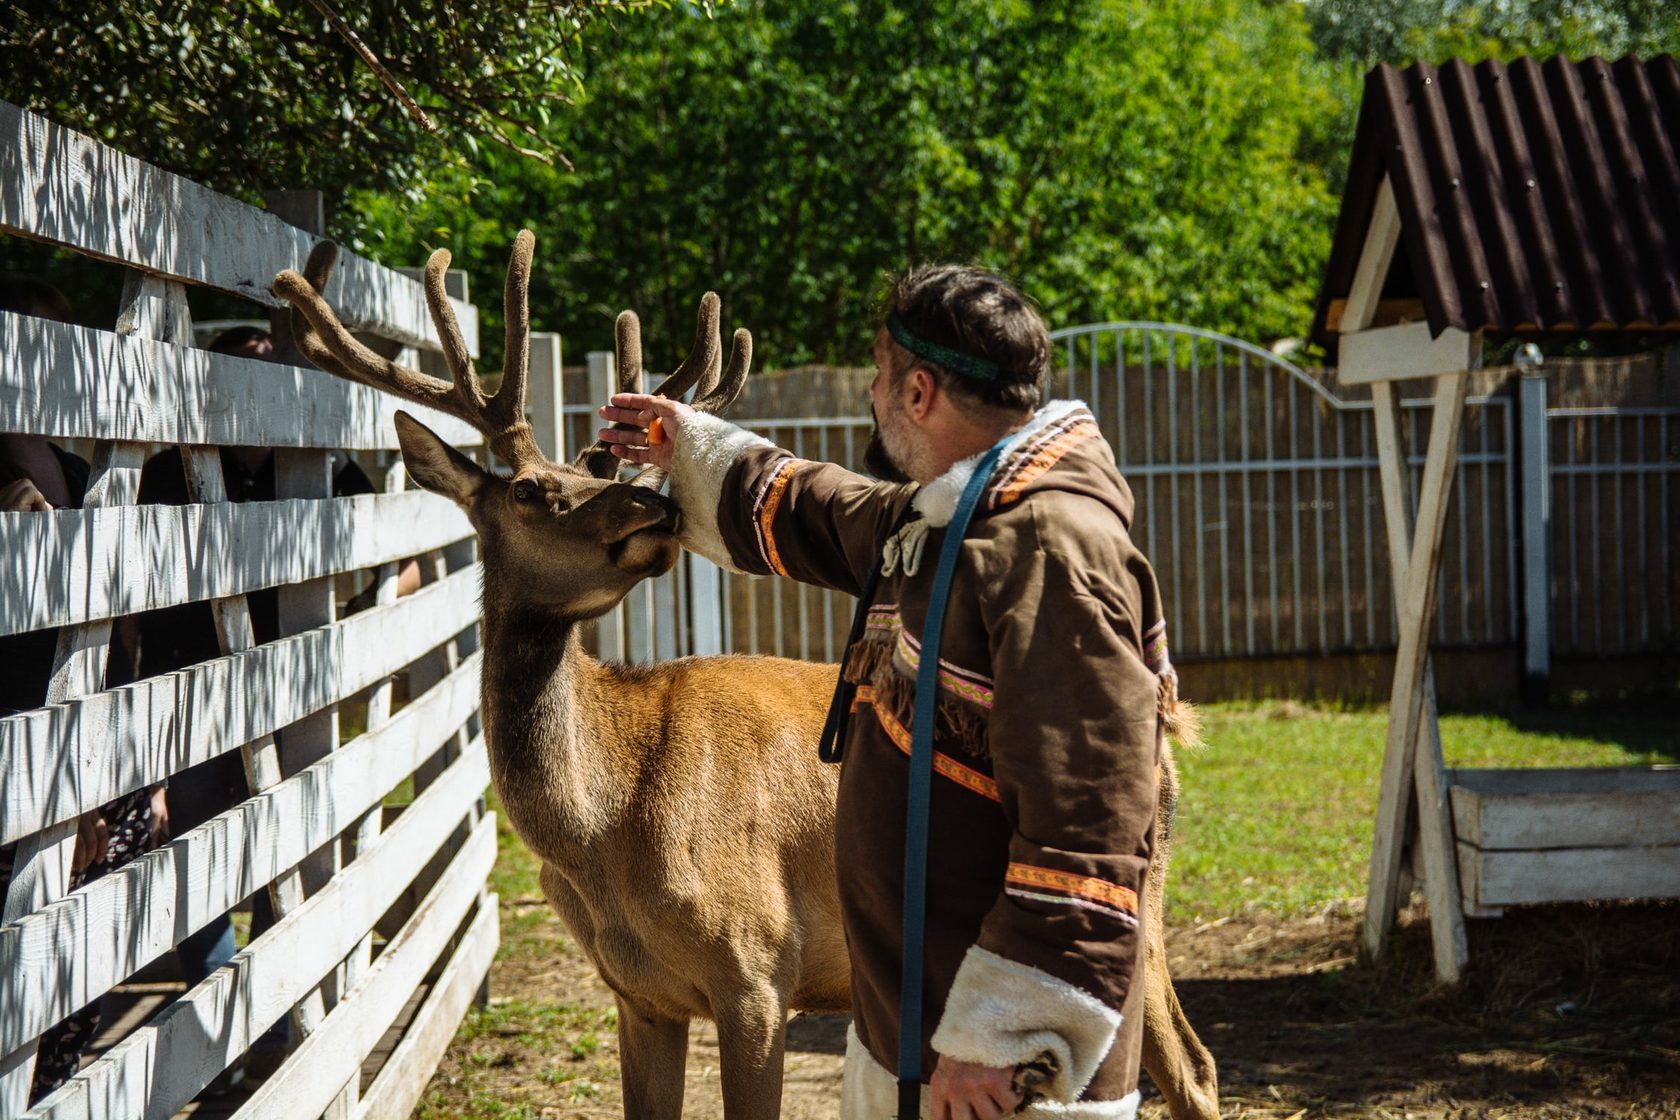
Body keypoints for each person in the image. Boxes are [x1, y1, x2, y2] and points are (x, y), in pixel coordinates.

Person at [599, 265, 1184, 1120]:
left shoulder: (1051, 555)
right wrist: (686, 446)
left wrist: (1007, 1038)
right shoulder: (955, 520)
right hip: (930, 1039)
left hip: (1006, 1079)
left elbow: (1089, 826)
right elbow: (829, 513)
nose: (870, 395)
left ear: (919, 390)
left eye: (877, 375)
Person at [0, 273, 161, 1104]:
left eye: (63, 336)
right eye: (31, 333)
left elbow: (122, 631)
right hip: (18, 757)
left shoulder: (85, 470)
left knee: (89, 961)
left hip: (99, 756)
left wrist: (130, 769)